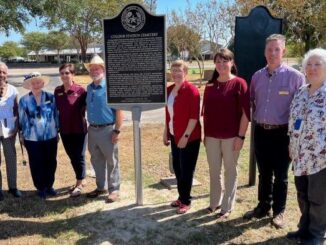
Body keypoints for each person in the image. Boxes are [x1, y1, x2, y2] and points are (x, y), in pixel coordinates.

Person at [243, 34, 305, 228]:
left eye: (277, 49)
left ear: (283, 51)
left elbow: (302, 110)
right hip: (261, 132)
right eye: (269, 49)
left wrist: (295, 136)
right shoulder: (257, 76)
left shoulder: (296, 78)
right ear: (264, 52)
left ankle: (279, 211)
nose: (272, 53)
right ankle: (263, 206)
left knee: (281, 176)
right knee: (264, 174)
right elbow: (251, 101)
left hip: (283, 134)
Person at [202, 49, 250, 219]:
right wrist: (205, 135)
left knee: (230, 171)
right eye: (218, 61)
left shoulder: (239, 83)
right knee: (214, 171)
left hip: (232, 137)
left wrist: (241, 136)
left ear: (231, 62)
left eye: (225, 61)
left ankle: (226, 207)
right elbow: (205, 113)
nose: (221, 64)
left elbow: (246, 113)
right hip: (211, 137)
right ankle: (214, 203)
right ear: (215, 64)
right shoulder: (209, 85)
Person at [287, 48, 326, 245]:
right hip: (299, 155)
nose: (312, 68)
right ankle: (304, 228)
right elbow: (293, 119)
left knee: (318, 199)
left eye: (317, 64)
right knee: (302, 195)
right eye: (309, 65)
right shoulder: (301, 92)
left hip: (320, 158)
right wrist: (291, 143)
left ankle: (317, 235)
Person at [163, 60, 201, 214]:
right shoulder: (169, 90)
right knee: (178, 168)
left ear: (185, 72)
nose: (176, 74)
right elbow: (168, 114)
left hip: (189, 137)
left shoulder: (192, 91)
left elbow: (194, 117)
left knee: (186, 169)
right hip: (174, 134)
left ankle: (186, 200)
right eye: (173, 71)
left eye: (179, 71)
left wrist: (185, 136)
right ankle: (181, 196)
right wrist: (166, 131)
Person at [84, 55, 123, 203]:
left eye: (97, 68)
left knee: (112, 161)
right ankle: (101, 187)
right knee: (96, 160)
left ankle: (114, 190)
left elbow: (119, 111)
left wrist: (117, 130)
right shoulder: (89, 88)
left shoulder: (110, 87)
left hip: (107, 130)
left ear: (103, 70)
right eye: (92, 69)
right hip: (92, 130)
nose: (94, 71)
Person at [19, 72, 59, 199]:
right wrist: (21, 134)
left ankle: (49, 186)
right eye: (33, 83)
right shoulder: (23, 100)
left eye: (38, 82)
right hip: (31, 138)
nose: (36, 85)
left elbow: (56, 115)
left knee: (51, 162)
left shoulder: (50, 97)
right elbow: (21, 119)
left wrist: (57, 131)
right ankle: (40, 188)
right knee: (36, 163)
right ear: (29, 85)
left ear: (42, 83)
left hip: (50, 136)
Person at [54, 64, 87, 197]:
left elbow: (87, 107)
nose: (64, 75)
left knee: (78, 156)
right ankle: (81, 178)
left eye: (67, 73)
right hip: (65, 130)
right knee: (72, 156)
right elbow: (55, 110)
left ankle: (79, 183)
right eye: (62, 73)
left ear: (73, 74)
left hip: (79, 129)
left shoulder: (81, 90)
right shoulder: (57, 91)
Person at [0, 62, 22, 201]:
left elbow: (17, 110)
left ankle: (13, 187)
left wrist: (17, 127)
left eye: (3, 72)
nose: (1, 75)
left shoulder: (13, 90)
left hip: (9, 129)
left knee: (11, 158)